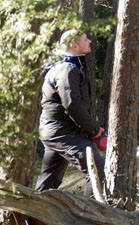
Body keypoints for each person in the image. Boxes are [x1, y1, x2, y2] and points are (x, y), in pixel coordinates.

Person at [36, 30, 106, 197]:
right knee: (97, 171)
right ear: (74, 46)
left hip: (56, 132)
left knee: (48, 183)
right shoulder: (66, 69)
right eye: (85, 39)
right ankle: (88, 218)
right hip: (63, 133)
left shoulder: (66, 65)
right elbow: (72, 105)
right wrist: (95, 131)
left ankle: (30, 219)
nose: (90, 41)